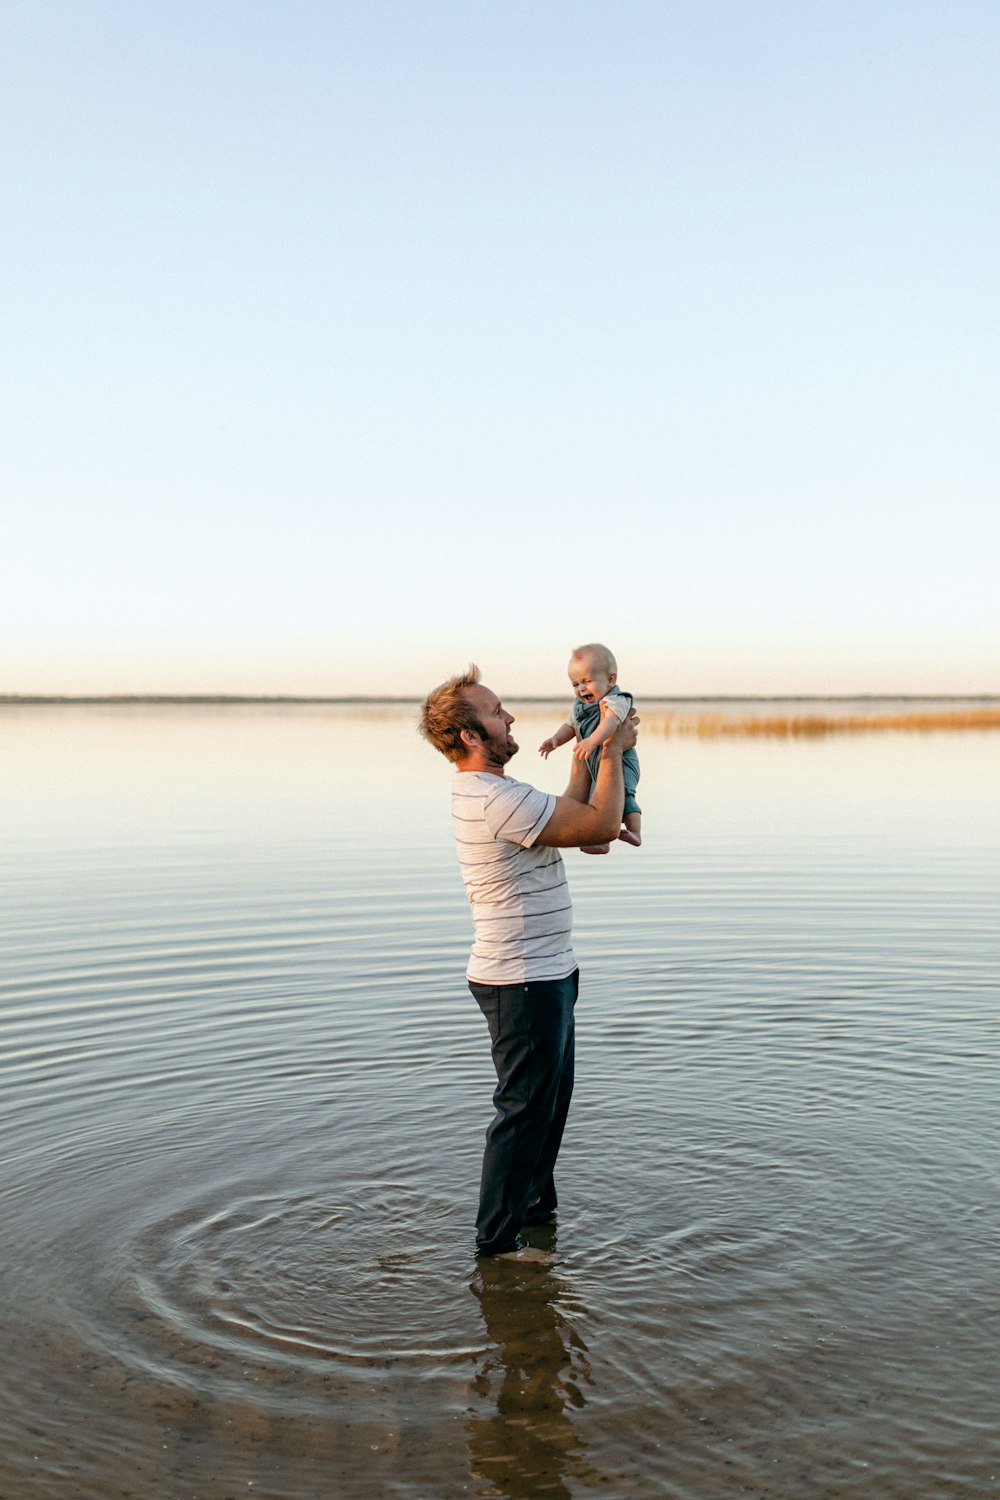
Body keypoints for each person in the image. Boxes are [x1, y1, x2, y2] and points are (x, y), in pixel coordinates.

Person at [419, 665, 639, 1260]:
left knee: (548, 1106)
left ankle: (537, 1216)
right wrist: (613, 753)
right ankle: (497, 1245)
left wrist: (585, 756)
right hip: (521, 978)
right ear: (470, 735)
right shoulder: (492, 797)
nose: (510, 717)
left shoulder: (500, 793)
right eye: (496, 712)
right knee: (523, 1112)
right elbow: (594, 822)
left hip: (548, 971)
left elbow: (569, 816)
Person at [539, 643, 641, 852]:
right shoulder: (580, 706)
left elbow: (610, 723)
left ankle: (636, 832)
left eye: (587, 681)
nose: (581, 689)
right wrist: (555, 740)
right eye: (575, 684)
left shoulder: (616, 700)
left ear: (611, 680)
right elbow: (570, 725)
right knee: (597, 798)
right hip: (598, 761)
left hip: (622, 761)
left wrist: (592, 741)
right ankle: (600, 841)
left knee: (626, 794)